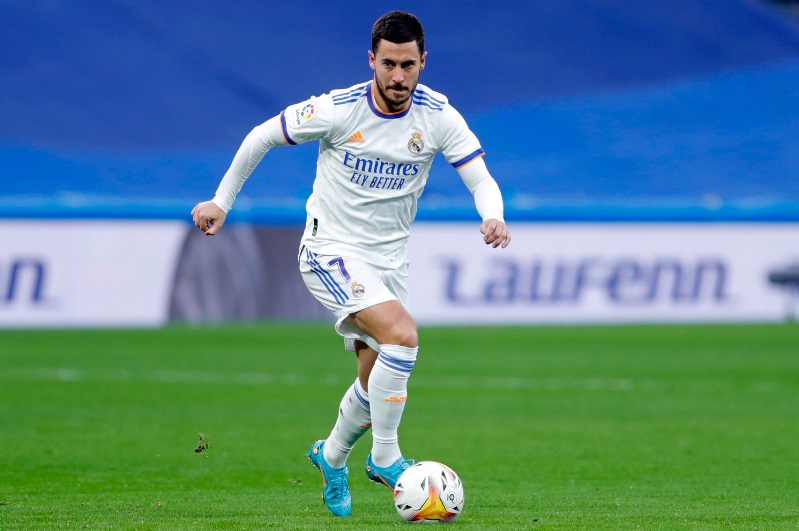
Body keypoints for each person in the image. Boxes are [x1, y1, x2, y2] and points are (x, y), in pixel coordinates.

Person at [191, 10, 511, 517]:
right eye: (389, 64)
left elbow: (480, 177)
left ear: (423, 62)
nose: (398, 76)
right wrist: (221, 201)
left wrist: (493, 215)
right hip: (330, 250)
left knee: (374, 377)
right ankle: (385, 457)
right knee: (403, 336)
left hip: (389, 262)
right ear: (371, 61)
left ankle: (332, 455)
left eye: (408, 65)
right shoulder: (337, 109)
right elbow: (261, 136)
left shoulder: (438, 116)